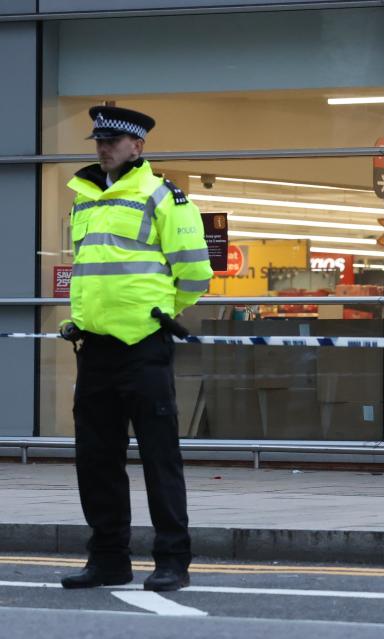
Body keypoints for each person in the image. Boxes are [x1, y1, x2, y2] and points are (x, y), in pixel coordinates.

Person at [58, 106, 213, 592]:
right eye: (98, 140)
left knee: (158, 458)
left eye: (113, 141)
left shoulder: (163, 197)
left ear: (137, 146)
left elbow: (194, 274)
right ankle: (108, 559)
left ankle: (172, 561)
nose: (103, 147)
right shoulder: (84, 199)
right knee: (96, 460)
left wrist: (161, 314)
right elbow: (89, 273)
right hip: (95, 349)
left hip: (144, 346)